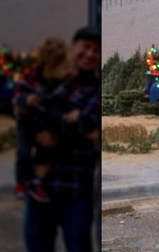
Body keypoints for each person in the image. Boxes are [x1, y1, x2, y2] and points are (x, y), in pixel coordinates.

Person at [22, 26, 102, 252]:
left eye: (96, 50)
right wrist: (37, 127)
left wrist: (46, 122)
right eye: (85, 47)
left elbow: (85, 122)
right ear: (72, 47)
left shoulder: (96, 87)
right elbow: (26, 108)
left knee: (78, 245)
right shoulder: (50, 78)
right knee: (37, 243)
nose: (89, 54)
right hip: (41, 185)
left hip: (77, 187)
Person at [12, 36, 75, 203]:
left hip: (47, 121)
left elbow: (65, 104)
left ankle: (37, 182)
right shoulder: (32, 76)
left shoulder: (62, 82)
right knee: (23, 152)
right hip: (27, 121)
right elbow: (18, 96)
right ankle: (21, 183)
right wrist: (26, 100)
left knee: (47, 150)